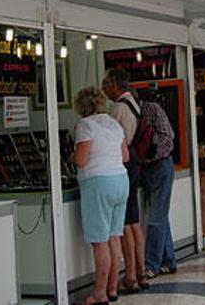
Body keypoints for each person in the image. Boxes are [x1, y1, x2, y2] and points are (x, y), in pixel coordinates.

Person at [71, 86, 129, 305]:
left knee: (100, 241)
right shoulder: (114, 124)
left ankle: (99, 293)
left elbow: (82, 159)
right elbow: (125, 156)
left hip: (98, 184)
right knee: (114, 237)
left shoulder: (85, 125)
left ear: (82, 106)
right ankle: (112, 288)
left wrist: (71, 157)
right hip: (121, 181)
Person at [101, 69, 148, 291]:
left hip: (124, 164)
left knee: (125, 224)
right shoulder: (135, 104)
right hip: (135, 164)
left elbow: (111, 139)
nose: (103, 88)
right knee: (135, 223)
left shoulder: (118, 108)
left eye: (105, 83)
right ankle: (142, 272)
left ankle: (129, 276)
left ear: (114, 85)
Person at [134, 90, 177, 280]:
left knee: (156, 219)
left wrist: (149, 155)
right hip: (149, 168)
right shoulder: (132, 112)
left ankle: (151, 265)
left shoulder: (152, 109)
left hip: (160, 166)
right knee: (161, 217)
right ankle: (168, 261)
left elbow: (169, 137)